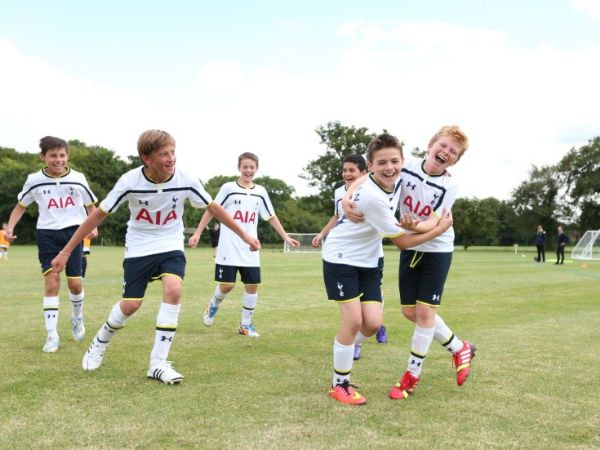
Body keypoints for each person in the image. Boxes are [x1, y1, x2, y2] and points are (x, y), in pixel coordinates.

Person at [51, 130, 260, 384]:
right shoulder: (129, 181)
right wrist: (66, 251)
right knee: (131, 305)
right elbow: (96, 216)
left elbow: (215, 208)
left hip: (171, 243)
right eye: (164, 154)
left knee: (174, 289)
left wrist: (245, 236)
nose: (171, 158)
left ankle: (158, 363)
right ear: (146, 158)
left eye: (173, 151)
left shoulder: (186, 179)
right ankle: (100, 341)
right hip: (139, 246)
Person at [344, 125, 474, 401]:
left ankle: (410, 376)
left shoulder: (450, 185)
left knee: (425, 313)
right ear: (430, 145)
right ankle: (459, 347)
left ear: (455, 160)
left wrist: (416, 225)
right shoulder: (407, 166)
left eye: (453, 152)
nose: (446, 152)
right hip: (411, 245)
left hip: (436, 247)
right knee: (409, 312)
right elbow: (367, 177)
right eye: (443, 145)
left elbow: (436, 221)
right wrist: (346, 198)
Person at [324, 133, 453, 405]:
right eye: (381, 163)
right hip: (341, 258)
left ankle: (343, 346)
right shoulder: (374, 199)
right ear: (370, 165)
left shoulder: (391, 180)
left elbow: (358, 181)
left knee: (372, 323)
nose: (389, 167)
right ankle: (340, 384)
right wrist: (438, 228)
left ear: (403, 162)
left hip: (369, 262)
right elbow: (404, 242)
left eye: (394, 161)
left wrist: (346, 197)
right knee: (353, 321)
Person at [189, 152, 300, 338]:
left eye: (252, 167)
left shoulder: (261, 192)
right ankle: (213, 305)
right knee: (227, 285)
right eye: (245, 166)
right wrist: (198, 233)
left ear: (256, 168)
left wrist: (286, 237)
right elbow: (211, 210)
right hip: (229, 246)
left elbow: (271, 216)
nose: (248, 170)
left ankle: (245, 325)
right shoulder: (228, 188)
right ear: (239, 168)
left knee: (252, 285)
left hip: (250, 247)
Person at [5, 136, 98, 352]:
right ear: (43, 157)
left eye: (62, 155)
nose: (58, 160)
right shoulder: (34, 180)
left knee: (74, 283)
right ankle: (51, 335)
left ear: (67, 156)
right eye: (53, 155)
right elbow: (21, 206)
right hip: (47, 234)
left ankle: (77, 317)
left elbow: (91, 206)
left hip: (74, 233)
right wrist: (10, 227)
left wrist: (93, 225)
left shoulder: (78, 178)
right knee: (52, 281)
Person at [311, 154, 388, 360]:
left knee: (373, 300)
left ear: (363, 173)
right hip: (344, 255)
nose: (347, 174)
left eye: (351, 170)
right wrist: (322, 233)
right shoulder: (338, 192)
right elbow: (338, 217)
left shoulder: (374, 191)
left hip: (372, 255)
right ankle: (355, 343)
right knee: (352, 313)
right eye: (344, 170)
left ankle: (377, 323)